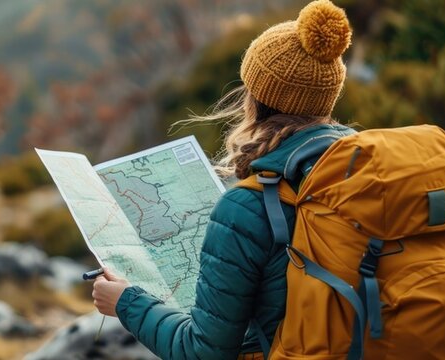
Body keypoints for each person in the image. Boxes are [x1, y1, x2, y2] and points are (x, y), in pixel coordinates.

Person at [91, 0, 355, 359]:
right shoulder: (369, 174)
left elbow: (203, 352)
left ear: (256, 99)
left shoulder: (246, 206)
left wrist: (126, 302)